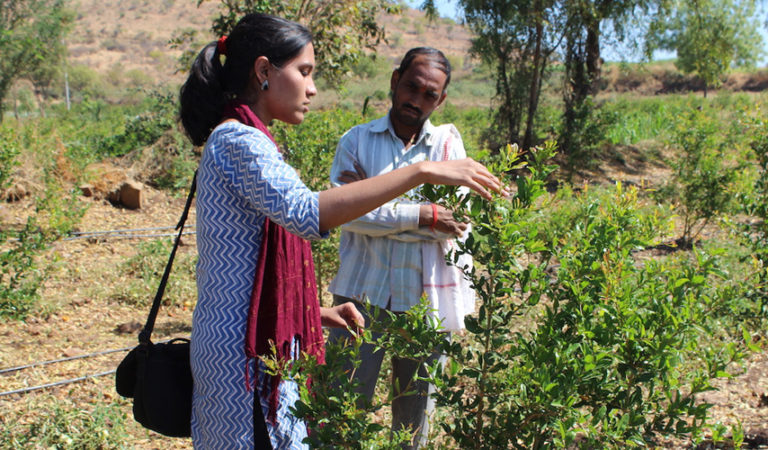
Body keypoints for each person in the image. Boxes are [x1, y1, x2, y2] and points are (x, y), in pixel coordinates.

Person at [179, 16, 504, 450]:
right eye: (305, 72)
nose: (311, 89)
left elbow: (256, 259)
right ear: (263, 72)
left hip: (251, 339)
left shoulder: (248, 138)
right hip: (242, 352)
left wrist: (313, 313)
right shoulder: (241, 141)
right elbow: (306, 212)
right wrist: (421, 175)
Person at [326, 47, 475, 449]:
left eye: (430, 94)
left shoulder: (447, 148)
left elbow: (456, 223)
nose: (417, 100)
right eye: (412, 86)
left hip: (424, 305)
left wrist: (378, 213)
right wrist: (422, 217)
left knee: (413, 422)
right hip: (358, 299)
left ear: (440, 100)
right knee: (340, 413)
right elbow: (342, 213)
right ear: (395, 81)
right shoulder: (356, 141)